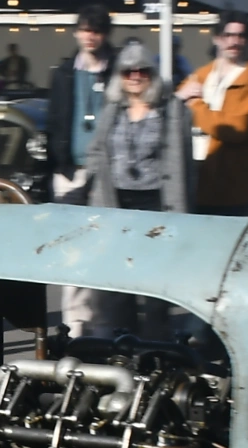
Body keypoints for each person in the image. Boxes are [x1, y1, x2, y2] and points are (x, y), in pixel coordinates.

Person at [72, 39, 190, 339]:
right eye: (128, 71)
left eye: (142, 71)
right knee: (118, 282)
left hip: (156, 205)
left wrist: (182, 213)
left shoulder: (170, 109)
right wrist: (97, 183)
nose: (135, 76)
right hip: (118, 205)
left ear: (151, 74)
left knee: (155, 286)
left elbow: (183, 164)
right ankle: (122, 347)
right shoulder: (113, 109)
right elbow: (97, 149)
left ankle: (156, 349)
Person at [176, 13, 248, 215]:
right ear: (217, 38)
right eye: (228, 35)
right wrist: (178, 96)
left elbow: (236, 129)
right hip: (192, 177)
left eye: (241, 36)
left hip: (227, 185)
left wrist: (196, 106)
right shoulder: (201, 74)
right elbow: (171, 108)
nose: (235, 41)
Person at [46, 4, 116, 203]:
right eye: (85, 30)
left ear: (106, 34)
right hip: (69, 172)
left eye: (96, 31)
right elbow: (54, 122)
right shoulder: (62, 74)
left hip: (106, 172)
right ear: (76, 33)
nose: (90, 36)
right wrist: (58, 163)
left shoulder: (118, 73)